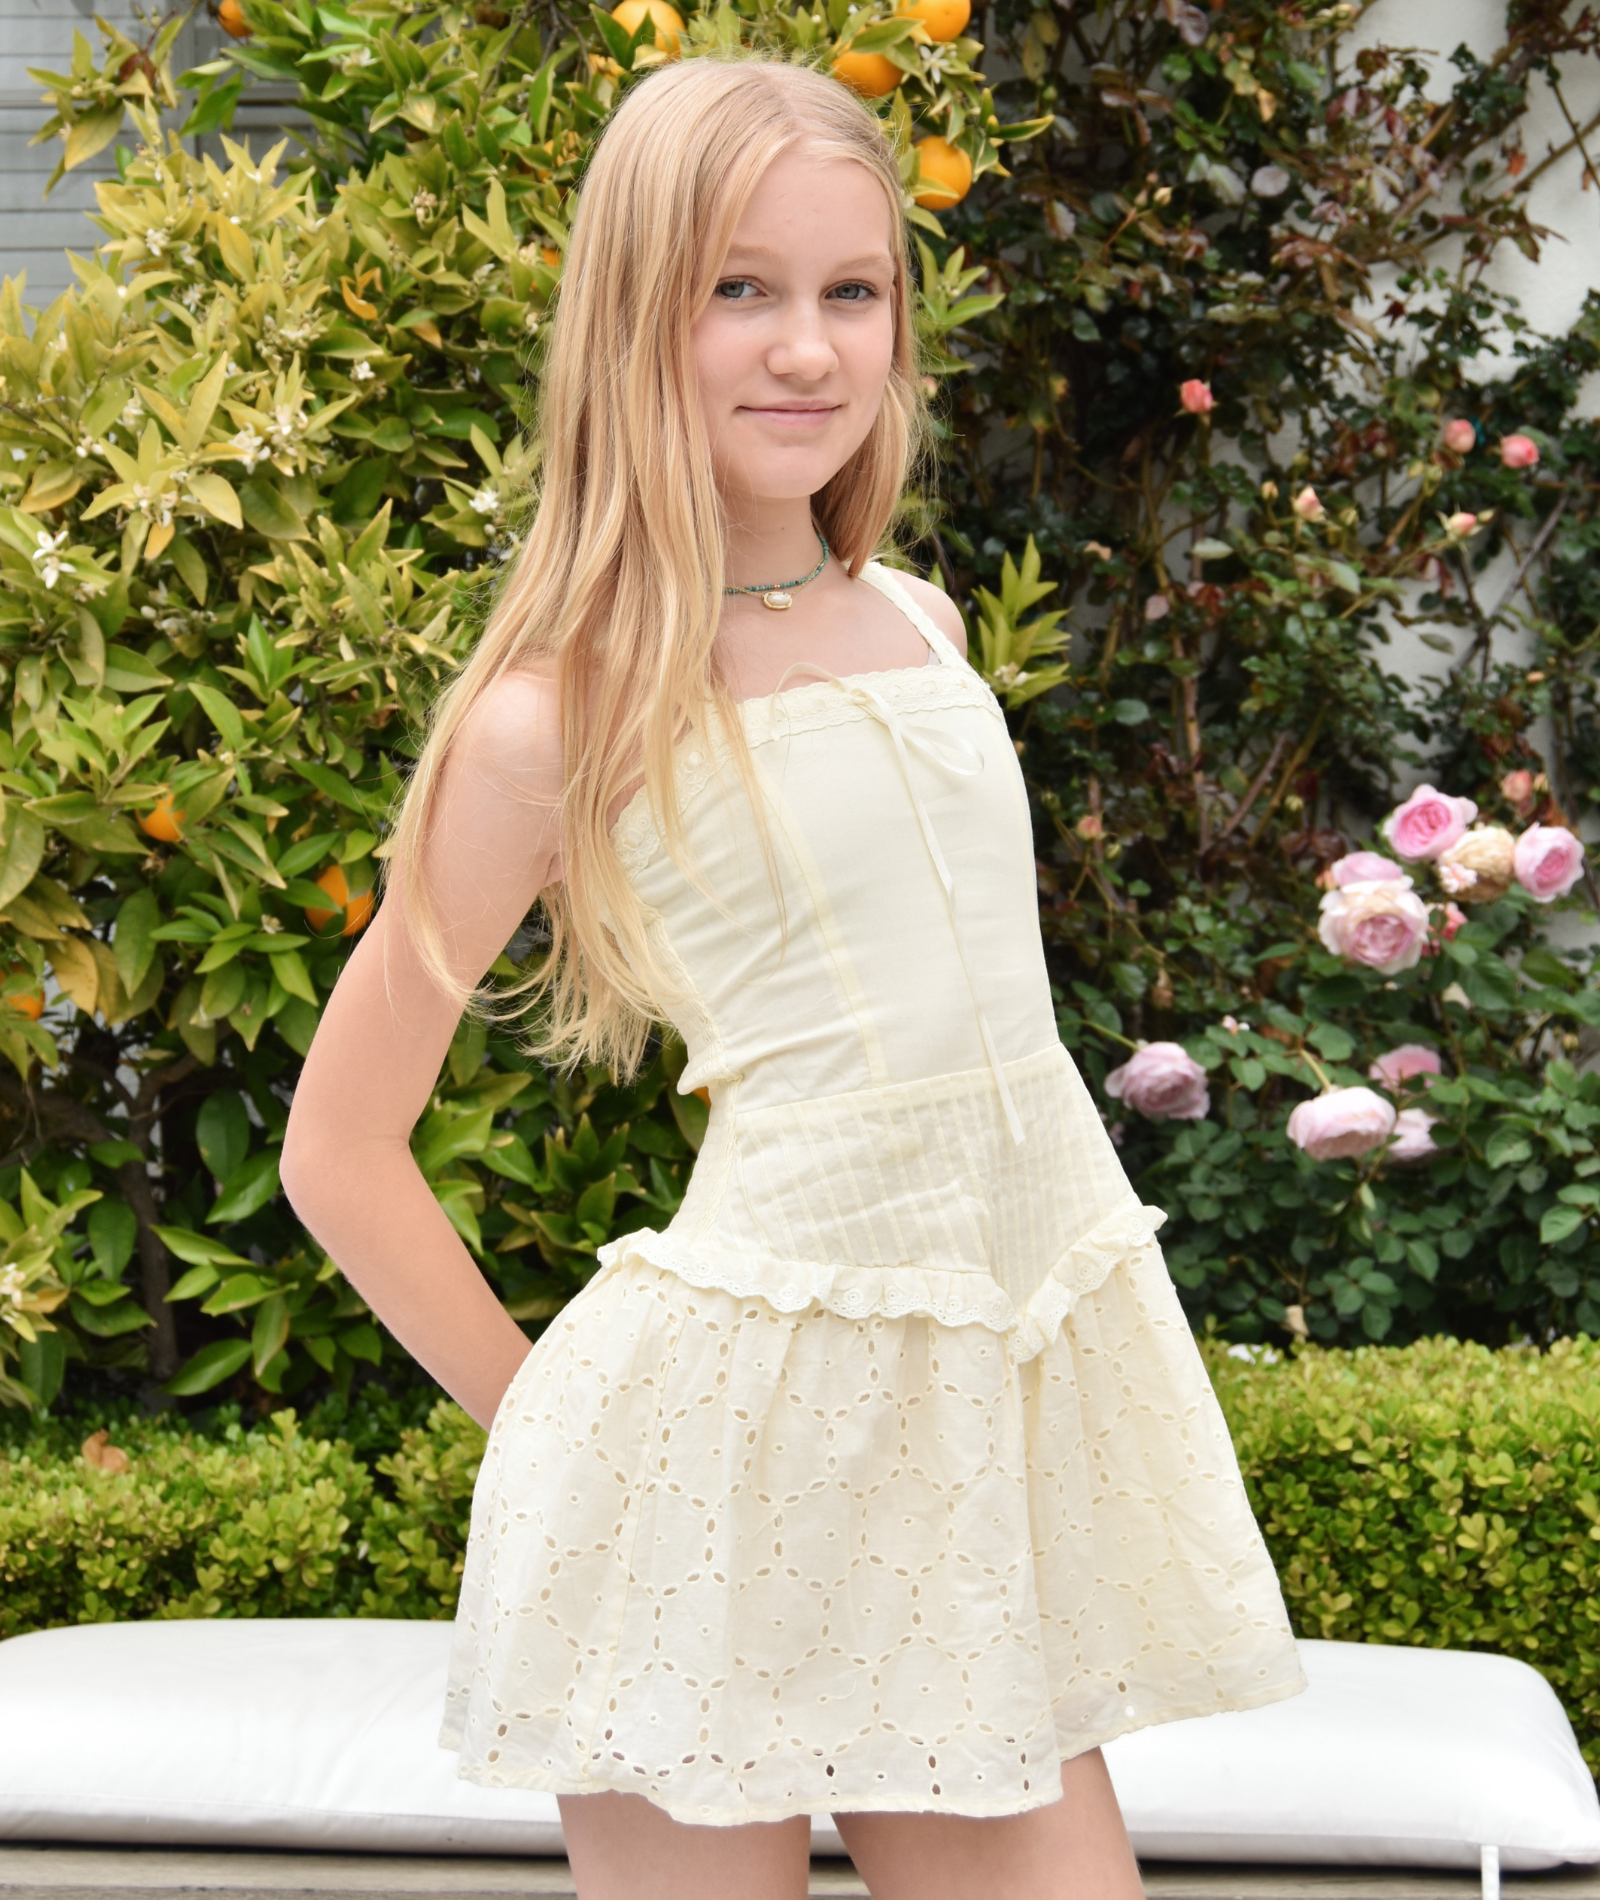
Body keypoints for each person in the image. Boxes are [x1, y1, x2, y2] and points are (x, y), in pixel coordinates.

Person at [281, 54, 1304, 1900]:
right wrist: (558, 1438)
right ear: (633, 316)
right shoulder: (555, 716)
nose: (808, 349)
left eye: (854, 291)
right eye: (740, 289)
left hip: (942, 1481)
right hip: (699, 1485)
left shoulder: (916, 618)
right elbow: (337, 1150)